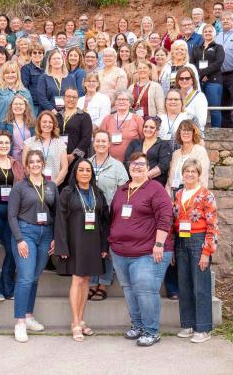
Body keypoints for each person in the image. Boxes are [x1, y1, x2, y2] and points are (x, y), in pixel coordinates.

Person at [109, 151, 173, 347]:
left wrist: (159, 244)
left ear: (148, 168)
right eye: (133, 164)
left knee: (145, 291)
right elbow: (114, 216)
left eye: (141, 164)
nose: (137, 167)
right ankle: (137, 325)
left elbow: (165, 216)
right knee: (129, 290)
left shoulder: (156, 188)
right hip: (120, 251)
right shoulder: (121, 190)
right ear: (129, 167)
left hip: (148, 251)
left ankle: (151, 331)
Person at [55, 158, 110, 341]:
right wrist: (62, 245)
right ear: (75, 173)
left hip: (93, 242)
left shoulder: (97, 192)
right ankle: (75, 322)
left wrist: (104, 245)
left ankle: (82, 319)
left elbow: (104, 221)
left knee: (87, 280)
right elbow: (61, 221)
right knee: (77, 279)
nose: (85, 173)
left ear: (91, 173)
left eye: (88, 170)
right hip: (74, 242)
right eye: (81, 170)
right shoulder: (67, 192)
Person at [7, 150, 58, 342]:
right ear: (27, 166)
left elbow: (57, 214)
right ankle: (19, 322)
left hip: (46, 235)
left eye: (38, 161)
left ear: (43, 164)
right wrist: (19, 239)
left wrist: (55, 237)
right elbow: (11, 216)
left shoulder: (51, 186)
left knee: (35, 277)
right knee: (26, 277)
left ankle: (28, 316)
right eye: (32, 162)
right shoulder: (20, 187)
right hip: (25, 232)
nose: (35, 164)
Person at [173, 159, 218, 344]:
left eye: (193, 171)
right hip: (181, 240)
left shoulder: (206, 195)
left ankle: (203, 327)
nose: (189, 174)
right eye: (186, 171)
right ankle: (188, 324)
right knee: (184, 285)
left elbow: (212, 225)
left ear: (199, 174)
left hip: (199, 240)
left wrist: (207, 252)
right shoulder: (178, 194)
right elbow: (173, 219)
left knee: (200, 286)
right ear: (182, 174)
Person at [87, 129, 129, 301]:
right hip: (90, 214)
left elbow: (124, 191)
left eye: (104, 141)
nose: (100, 144)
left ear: (109, 144)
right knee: (92, 248)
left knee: (107, 249)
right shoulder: (87, 163)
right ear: (93, 142)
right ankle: (93, 280)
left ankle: (104, 281)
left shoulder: (117, 166)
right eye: (98, 141)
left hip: (110, 215)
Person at [0, 131, 25, 303]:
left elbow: (23, 186)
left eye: (6, 143)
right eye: (0, 142)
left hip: (12, 213)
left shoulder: (16, 164)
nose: (3, 145)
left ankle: (8, 287)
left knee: (12, 250)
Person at [0, 60, 34, 138]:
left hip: (22, 131)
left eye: (13, 72)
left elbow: (31, 115)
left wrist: (33, 135)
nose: (10, 75)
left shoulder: (25, 92)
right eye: (7, 73)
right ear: (2, 75)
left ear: (17, 74)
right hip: (1, 129)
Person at [22, 110, 69, 186]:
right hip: (33, 186)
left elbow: (64, 168)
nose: (47, 124)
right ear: (39, 123)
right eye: (44, 122)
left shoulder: (60, 144)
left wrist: (54, 184)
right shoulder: (29, 143)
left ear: (54, 124)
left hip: (53, 185)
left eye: (50, 122)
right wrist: (35, 183)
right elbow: (25, 166)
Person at [56, 87, 93, 181]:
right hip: (58, 158)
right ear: (63, 98)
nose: (71, 99)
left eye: (74, 97)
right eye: (68, 96)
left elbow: (86, 139)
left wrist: (73, 156)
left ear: (77, 99)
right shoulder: (57, 116)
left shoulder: (84, 116)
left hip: (76, 160)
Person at [124, 116, 172, 187]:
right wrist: (135, 177)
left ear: (157, 130)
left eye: (152, 127)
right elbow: (127, 161)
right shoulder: (134, 143)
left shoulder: (163, 145)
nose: (148, 129)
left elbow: (163, 166)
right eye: (145, 126)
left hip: (154, 183)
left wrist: (143, 178)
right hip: (134, 182)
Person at [98, 90, 144, 161]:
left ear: (130, 103)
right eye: (119, 99)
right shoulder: (107, 119)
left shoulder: (137, 119)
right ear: (115, 102)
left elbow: (144, 140)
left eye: (125, 99)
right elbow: (100, 139)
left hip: (131, 162)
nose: (121, 102)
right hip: (109, 161)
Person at [192, 26, 224, 128]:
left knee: (214, 108)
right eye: (205, 31)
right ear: (202, 34)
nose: (208, 33)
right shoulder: (196, 48)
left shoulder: (218, 47)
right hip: (198, 82)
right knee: (197, 108)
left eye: (210, 31)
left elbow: (218, 63)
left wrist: (203, 73)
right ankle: (197, 130)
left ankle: (216, 131)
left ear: (214, 33)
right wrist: (200, 76)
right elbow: (192, 63)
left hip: (214, 81)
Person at [167, 120, 211, 192]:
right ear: (179, 133)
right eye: (183, 130)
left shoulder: (200, 152)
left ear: (194, 133)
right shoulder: (175, 154)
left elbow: (203, 178)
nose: (186, 133)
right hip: (174, 196)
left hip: (193, 196)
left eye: (189, 130)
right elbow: (170, 180)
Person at [0, 95, 36, 163]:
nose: (18, 106)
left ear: (25, 107)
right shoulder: (4, 124)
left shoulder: (32, 124)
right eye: (15, 104)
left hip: (30, 158)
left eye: (21, 104)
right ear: (11, 106)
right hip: (12, 159)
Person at [21, 42, 46, 113]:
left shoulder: (45, 70)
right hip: (33, 105)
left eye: (40, 52)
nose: (37, 54)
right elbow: (24, 88)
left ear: (43, 55)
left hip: (44, 104)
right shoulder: (26, 68)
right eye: (34, 53)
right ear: (30, 55)